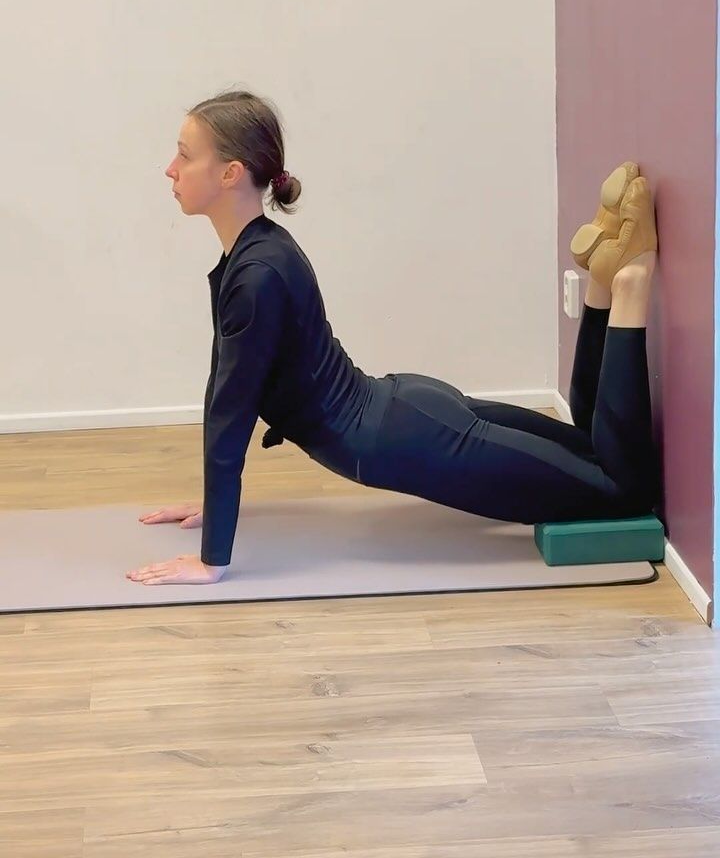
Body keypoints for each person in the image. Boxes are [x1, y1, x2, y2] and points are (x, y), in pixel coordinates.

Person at [127, 90, 660, 586]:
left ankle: (628, 284)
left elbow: (228, 413)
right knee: (594, 453)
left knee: (622, 491)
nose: (170, 169)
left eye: (184, 155)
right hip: (406, 410)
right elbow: (225, 389)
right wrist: (213, 502)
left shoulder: (255, 275)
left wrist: (211, 559)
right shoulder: (261, 251)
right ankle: (600, 283)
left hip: (406, 441)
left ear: (230, 173)